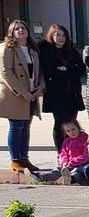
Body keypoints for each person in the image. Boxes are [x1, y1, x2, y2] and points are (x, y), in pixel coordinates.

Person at [0, 20, 45, 171]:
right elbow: (6, 72)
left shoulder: (32, 49)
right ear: (11, 33)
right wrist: (22, 92)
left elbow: (39, 72)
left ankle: (24, 159)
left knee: (26, 127)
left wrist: (41, 87)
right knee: (16, 126)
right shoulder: (7, 47)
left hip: (32, 93)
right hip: (16, 94)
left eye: (23, 28)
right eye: (16, 29)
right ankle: (15, 159)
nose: (20, 30)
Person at [38, 24, 85, 150]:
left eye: (63, 35)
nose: (61, 38)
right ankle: (61, 153)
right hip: (56, 95)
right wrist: (68, 70)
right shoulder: (46, 51)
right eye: (57, 34)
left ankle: (72, 151)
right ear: (51, 36)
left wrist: (66, 70)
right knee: (60, 124)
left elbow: (80, 69)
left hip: (72, 93)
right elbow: (50, 71)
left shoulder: (71, 51)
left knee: (72, 123)